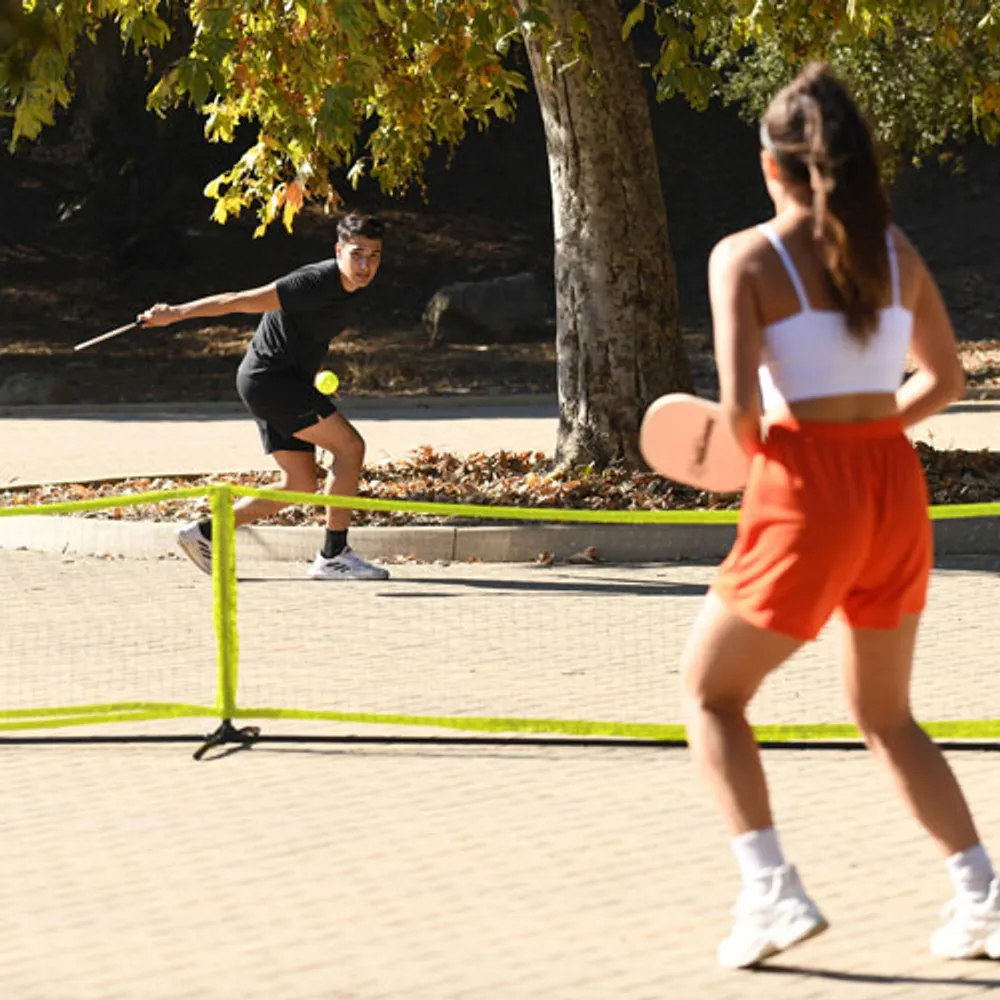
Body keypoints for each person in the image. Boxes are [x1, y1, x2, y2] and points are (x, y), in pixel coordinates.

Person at [681, 62, 999, 969]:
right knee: (886, 713)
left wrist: (747, 447)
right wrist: (866, 433)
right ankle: (984, 898)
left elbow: (741, 416)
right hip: (893, 486)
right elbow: (947, 377)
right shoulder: (895, 251)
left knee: (711, 693)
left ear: (771, 164)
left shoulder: (745, 257)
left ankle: (771, 892)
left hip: (806, 489)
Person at [138, 210, 389, 581]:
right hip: (271, 382)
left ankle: (205, 533)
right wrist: (174, 314)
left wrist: (312, 369)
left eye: (374, 256)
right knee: (350, 448)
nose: (366, 264)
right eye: (357, 254)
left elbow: (301, 333)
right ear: (339, 250)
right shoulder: (314, 281)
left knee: (300, 484)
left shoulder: (350, 288)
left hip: (282, 381)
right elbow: (238, 300)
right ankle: (333, 554)